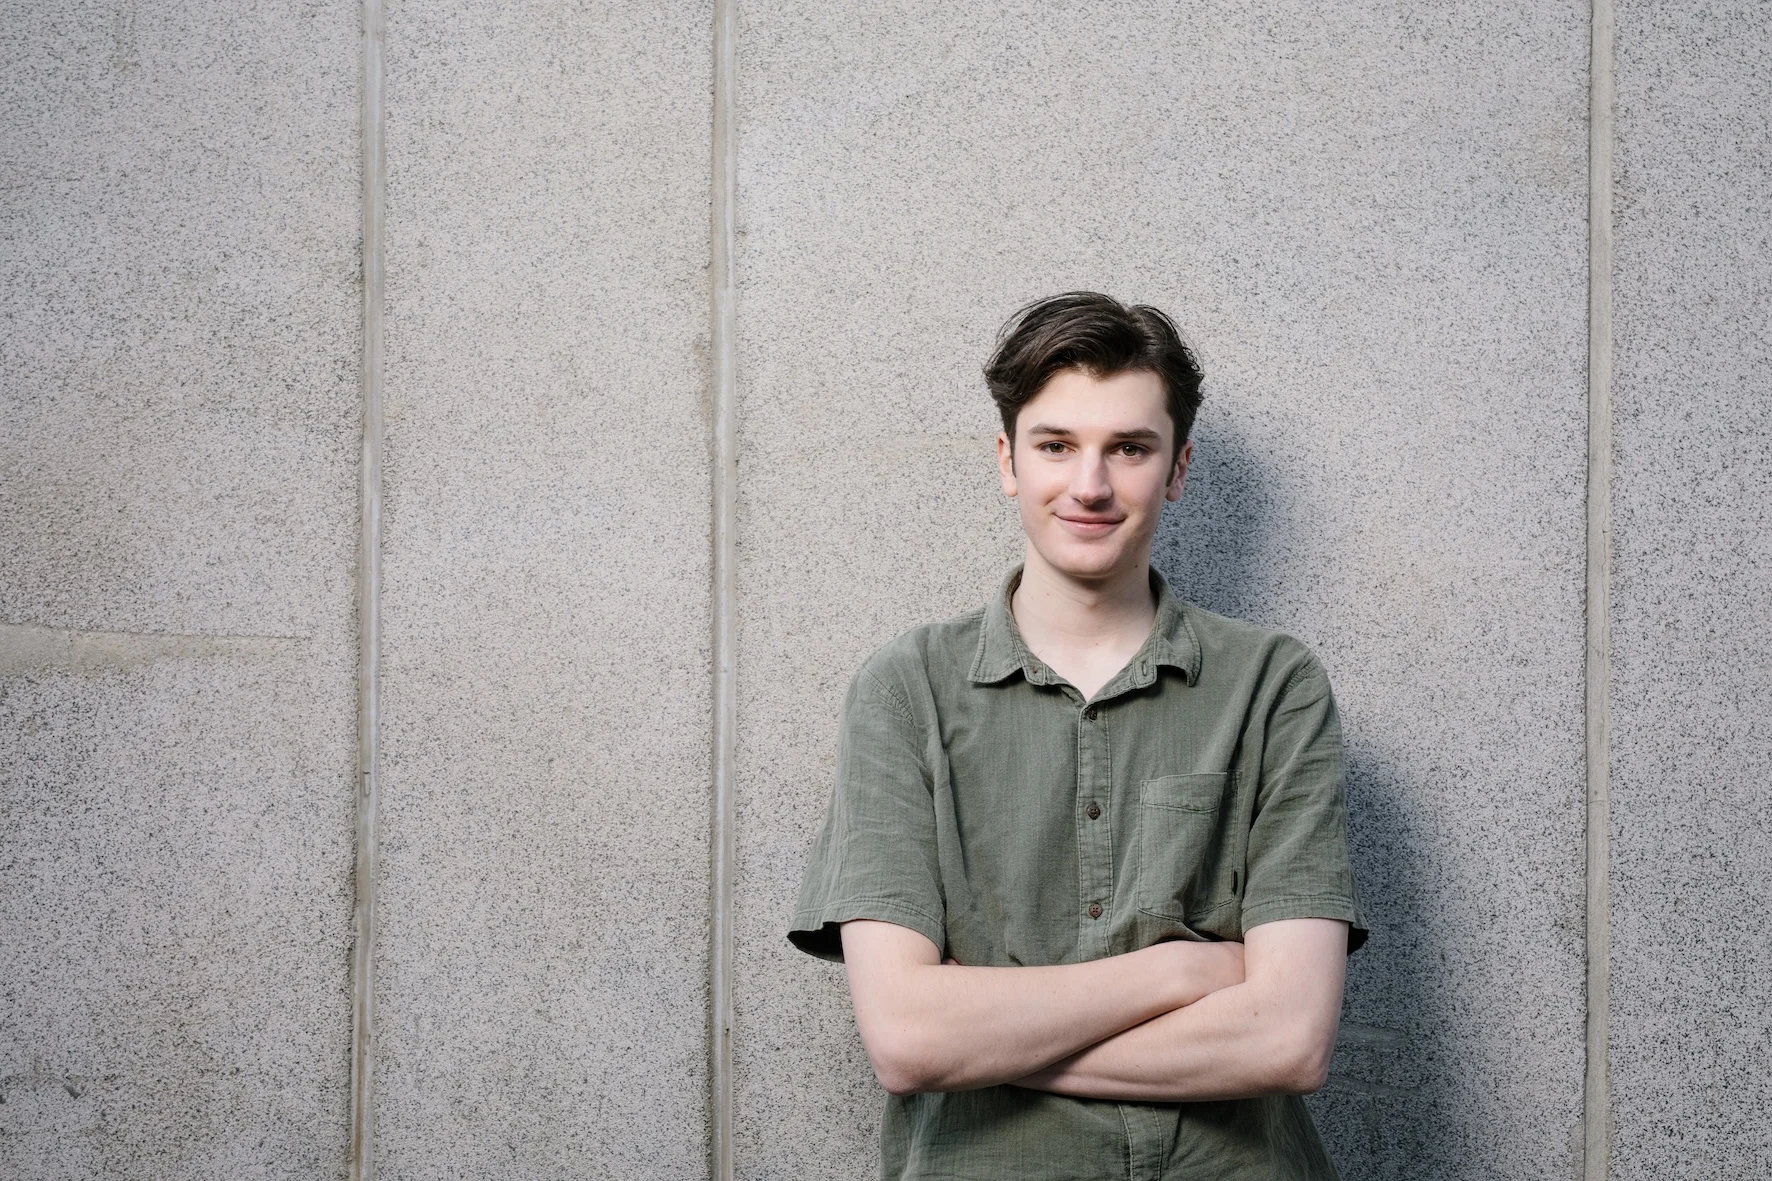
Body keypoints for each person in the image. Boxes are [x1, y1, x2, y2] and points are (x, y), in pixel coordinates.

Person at [789, 291, 1366, 1180]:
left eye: (1128, 448)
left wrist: (994, 1041)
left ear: (1176, 468)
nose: (1089, 485)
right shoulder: (906, 689)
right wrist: (1180, 975)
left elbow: (1289, 1039)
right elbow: (906, 1038)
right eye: (1056, 445)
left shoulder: (1272, 685)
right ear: (1008, 461)